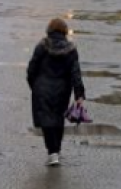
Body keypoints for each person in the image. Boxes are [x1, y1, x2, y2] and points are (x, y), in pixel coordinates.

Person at [27, 18, 86, 167]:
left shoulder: (42, 46)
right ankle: (56, 151)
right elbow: (75, 73)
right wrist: (79, 94)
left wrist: (33, 85)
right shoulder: (71, 50)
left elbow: (32, 67)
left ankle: (52, 152)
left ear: (50, 29)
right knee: (58, 119)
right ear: (64, 31)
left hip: (42, 87)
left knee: (46, 119)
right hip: (62, 89)